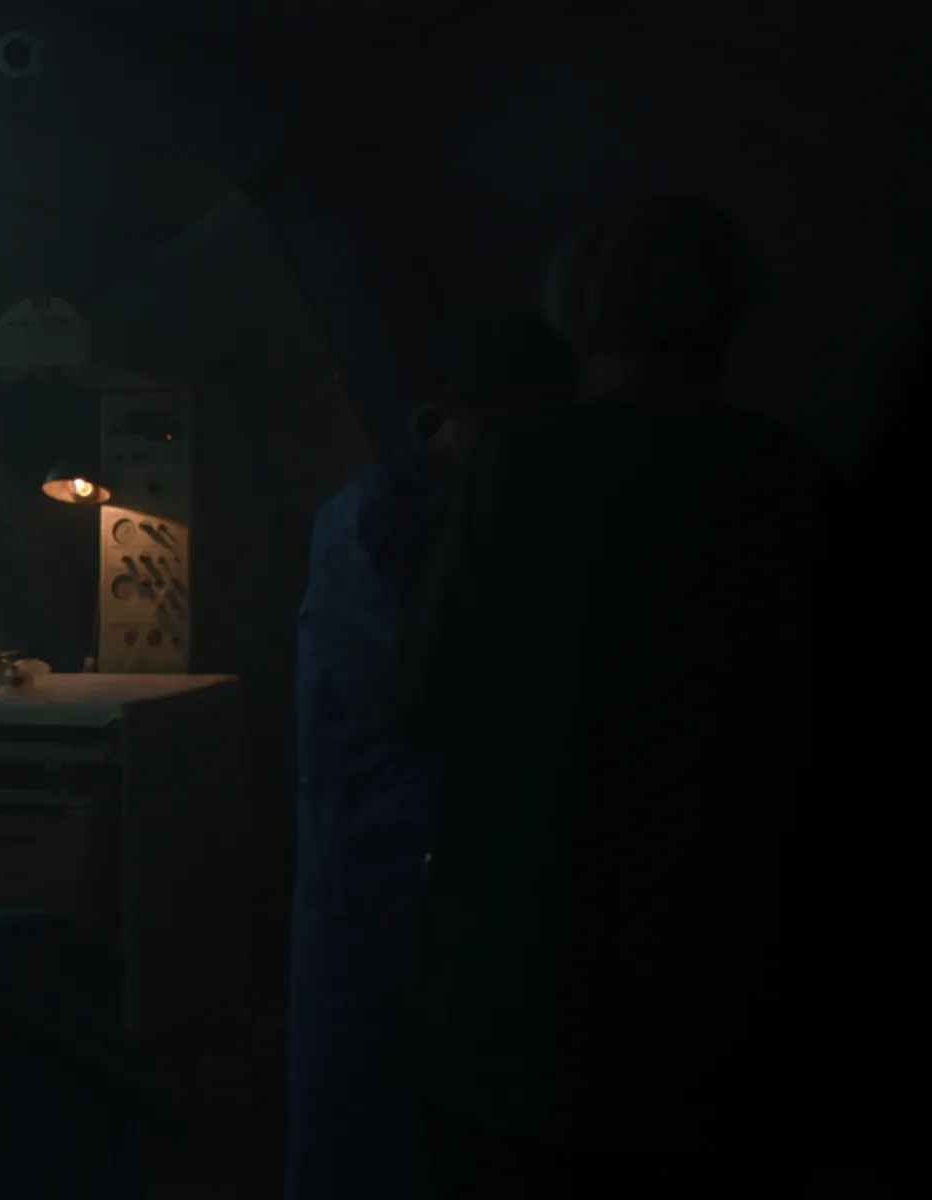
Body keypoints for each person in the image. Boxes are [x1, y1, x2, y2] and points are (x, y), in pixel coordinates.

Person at [388, 196, 840, 1197]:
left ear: (580, 318)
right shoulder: (794, 485)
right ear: (731, 315)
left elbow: (415, 703)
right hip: (729, 1021)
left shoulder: (509, 475)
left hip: (518, 1002)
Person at [286, 310, 575, 1200]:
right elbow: (421, 695)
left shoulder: (482, 501)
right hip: (379, 843)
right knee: (363, 1094)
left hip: (430, 839)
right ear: (461, 412)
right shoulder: (378, 519)